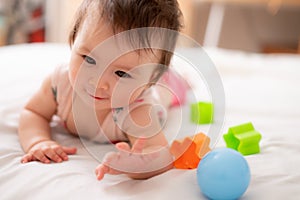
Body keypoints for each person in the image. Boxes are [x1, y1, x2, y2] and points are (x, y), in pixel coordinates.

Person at [18, 0, 183, 180]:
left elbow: (161, 154)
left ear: (150, 80)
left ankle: (176, 79)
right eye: (88, 59)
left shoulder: (137, 110)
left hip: (164, 88)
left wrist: (136, 164)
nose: (97, 82)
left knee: (173, 89)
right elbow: (33, 112)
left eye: (121, 73)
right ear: (73, 40)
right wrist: (38, 141)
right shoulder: (60, 83)